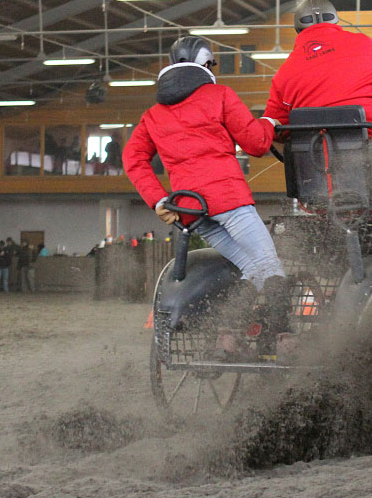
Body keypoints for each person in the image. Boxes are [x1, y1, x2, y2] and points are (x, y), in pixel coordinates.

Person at [123, 36, 290, 348]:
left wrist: (159, 200)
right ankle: (285, 338)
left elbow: (132, 158)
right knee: (270, 266)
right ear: (206, 64)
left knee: (251, 267)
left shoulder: (153, 114)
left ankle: (228, 334)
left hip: (192, 211)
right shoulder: (220, 95)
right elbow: (256, 144)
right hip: (229, 201)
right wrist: (268, 122)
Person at [262, 0, 372, 214]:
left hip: (318, 168)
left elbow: (276, 127)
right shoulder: (364, 44)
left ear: (298, 29)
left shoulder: (284, 73)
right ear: (335, 21)